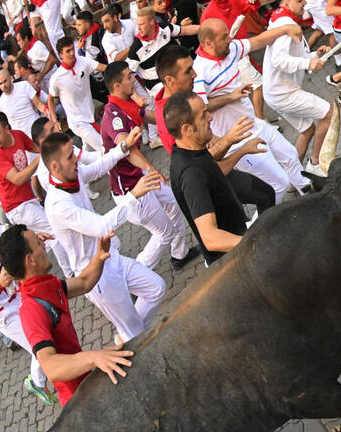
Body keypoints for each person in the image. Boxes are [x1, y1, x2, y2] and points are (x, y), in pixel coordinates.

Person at [41, 130, 166, 344]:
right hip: (96, 277)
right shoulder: (57, 205)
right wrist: (134, 195)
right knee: (136, 334)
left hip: (110, 257)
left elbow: (99, 167)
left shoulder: (73, 173)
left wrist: (123, 148)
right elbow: (101, 226)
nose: (76, 159)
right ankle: (131, 339)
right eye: (70, 156)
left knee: (156, 288)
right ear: (55, 167)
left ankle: (127, 337)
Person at [0, 224, 134, 406]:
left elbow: (84, 282)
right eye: (38, 243)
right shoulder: (31, 310)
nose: (44, 245)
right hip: (79, 402)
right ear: (30, 260)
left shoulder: (46, 284)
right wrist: (95, 357)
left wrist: (99, 257)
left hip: (87, 381)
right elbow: (51, 367)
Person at [193, 17, 314, 200]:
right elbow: (201, 109)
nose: (230, 40)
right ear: (208, 43)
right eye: (225, 37)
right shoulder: (199, 72)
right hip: (237, 140)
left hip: (255, 125)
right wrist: (230, 97)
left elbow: (258, 41)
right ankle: (259, 226)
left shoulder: (230, 49)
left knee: (290, 156)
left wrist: (285, 28)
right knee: (279, 184)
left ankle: (310, 196)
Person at [154, 45, 274, 214]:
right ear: (170, 80)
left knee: (266, 194)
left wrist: (232, 96)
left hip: (217, 169)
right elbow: (202, 163)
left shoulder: (179, 97)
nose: (195, 74)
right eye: (188, 71)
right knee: (255, 206)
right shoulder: (170, 120)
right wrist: (231, 141)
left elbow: (206, 107)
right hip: (210, 181)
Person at [101, 62, 198, 271]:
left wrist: (177, 118)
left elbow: (154, 118)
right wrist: (151, 168)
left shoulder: (127, 103)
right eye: (128, 77)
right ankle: (135, 277)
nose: (133, 80)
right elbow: (127, 148)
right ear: (117, 85)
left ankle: (180, 254)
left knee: (173, 203)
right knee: (164, 233)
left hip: (141, 175)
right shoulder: (113, 116)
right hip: (130, 189)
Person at [0, 192, 58, 403]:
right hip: (4, 313)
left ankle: (36, 381)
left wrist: (31, 243)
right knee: (42, 346)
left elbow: (11, 247)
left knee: (48, 337)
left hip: (23, 292)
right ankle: (39, 382)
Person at [165, 91, 266, 264]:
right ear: (187, 129)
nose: (211, 117)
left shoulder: (190, 150)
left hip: (237, 241)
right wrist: (257, 244)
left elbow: (212, 171)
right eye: (203, 115)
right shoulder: (191, 175)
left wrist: (242, 150)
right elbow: (211, 239)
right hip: (231, 259)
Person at [263, 0, 335, 176]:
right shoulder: (285, 25)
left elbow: (295, 56)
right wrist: (308, 64)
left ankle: (292, 178)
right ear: (286, 3)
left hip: (276, 92)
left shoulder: (282, 20)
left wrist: (314, 56)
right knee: (329, 113)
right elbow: (279, 60)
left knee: (307, 130)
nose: (304, 3)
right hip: (283, 93)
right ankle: (315, 163)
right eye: (300, 0)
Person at [0, 113, 72, 276]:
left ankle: (46, 273)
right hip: (16, 207)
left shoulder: (18, 135)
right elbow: (18, 179)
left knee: (46, 236)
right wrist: (40, 158)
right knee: (53, 231)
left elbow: (37, 148)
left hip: (28, 199)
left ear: (7, 129)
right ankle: (70, 274)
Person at [200, 0, 267, 120]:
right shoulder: (208, 13)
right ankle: (261, 121)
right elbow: (206, 42)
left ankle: (253, 122)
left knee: (243, 92)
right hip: (228, 55)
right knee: (257, 84)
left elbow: (250, 7)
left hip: (242, 49)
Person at [47, 38, 107, 151]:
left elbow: (102, 67)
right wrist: (54, 121)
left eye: (72, 49)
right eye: (68, 51)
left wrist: (117, 69)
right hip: (77, 122)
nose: (72, 53)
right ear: (61, 55)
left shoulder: (82, 61)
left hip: (89, 115)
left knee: (88, 151)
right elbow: (50, 99)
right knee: (104, 148)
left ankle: (83, 167)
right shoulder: (56, 78)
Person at [125, 6, 200, 93]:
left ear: (152, 21)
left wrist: (206, 28)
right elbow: (127, 75)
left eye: (142, 24)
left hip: (177, 76)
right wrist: (137, 97)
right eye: (138, 24)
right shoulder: (136, 49)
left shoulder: (165, 28)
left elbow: (185, 30)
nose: (138, 28)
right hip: (158, 86)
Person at [0, 70, 47, 138]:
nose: (3, 86)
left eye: (5, 81)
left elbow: (38, 103)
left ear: (11, 78)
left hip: (38, 128)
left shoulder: (24, 85)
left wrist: (47, 111)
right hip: (23, 138)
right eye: (0, 84)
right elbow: (5, 128)